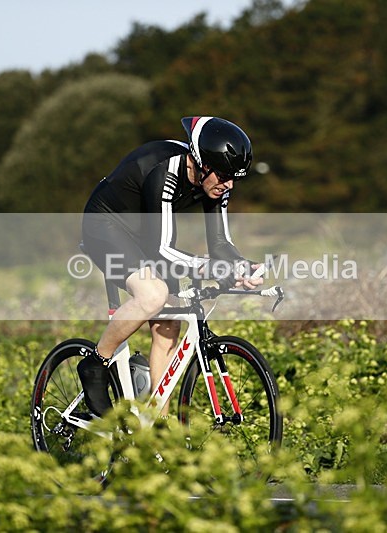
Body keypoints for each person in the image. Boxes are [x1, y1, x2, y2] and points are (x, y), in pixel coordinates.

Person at [78, 116, 264, 417]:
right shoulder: (165, 171)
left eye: (235, 178)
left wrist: (242, 267)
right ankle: (96, 363)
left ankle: (158, 425)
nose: (229, 184)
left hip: (144, 232)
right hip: (106, 225)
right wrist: (209, 269)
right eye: (224, 176)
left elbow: (220, 243)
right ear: (202, 164)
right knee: (153, 296)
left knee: (169, 322)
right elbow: (161, 250)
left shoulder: (216, 181)